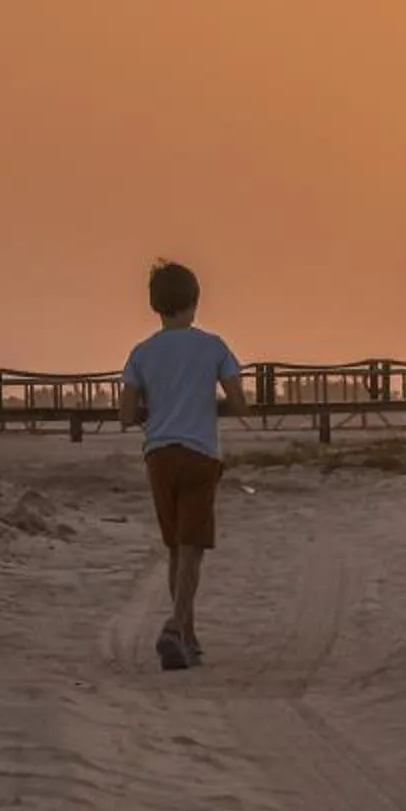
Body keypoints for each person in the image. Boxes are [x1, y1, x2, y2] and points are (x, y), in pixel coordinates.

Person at [118, 261, 247, 671]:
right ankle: (175, 626)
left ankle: (187, 635)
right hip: (200, 453)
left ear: (155, 305)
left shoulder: (142, 353)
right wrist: (212, 405)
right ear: (195, 301)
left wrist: (153, 410)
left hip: (158, 454)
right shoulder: (213, 347)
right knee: (192, 548)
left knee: (176, 546)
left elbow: (125, 414)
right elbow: (240, 402)